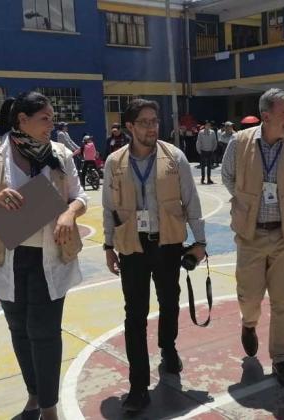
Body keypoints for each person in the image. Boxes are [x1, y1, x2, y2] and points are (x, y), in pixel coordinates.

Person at [0, 91, 87, 420]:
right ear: (22, 120)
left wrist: (69, 213)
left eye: (52, 118)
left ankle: (49, 407)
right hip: (7, 258)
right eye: (44, 119)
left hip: (50, 258)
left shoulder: (59, 154)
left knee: (45, 331)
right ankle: (34, 396)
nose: (51, 125)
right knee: (19, 329)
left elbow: (80, 196)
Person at [102, 98, 207, 413]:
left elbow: (191, 200)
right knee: (134, 315)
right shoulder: (114, 162)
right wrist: (108, 246)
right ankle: (138, 386)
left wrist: (200, 241)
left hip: (168, 244)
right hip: (131, 247)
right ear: (130, 127)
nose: (151, 127)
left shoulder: (175, 157)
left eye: (154, 121)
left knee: (170, 302)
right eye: (144, 122)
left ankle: (168, 347)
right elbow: (108, 207)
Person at [221, 88, 284, 388]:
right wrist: (247, 202)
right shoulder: (240, 142)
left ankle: (280, 358)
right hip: (251, 233)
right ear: (266, 115)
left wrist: (283, 202)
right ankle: (249, 324)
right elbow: (228, 176)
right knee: (250, 296)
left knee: (282, 300)